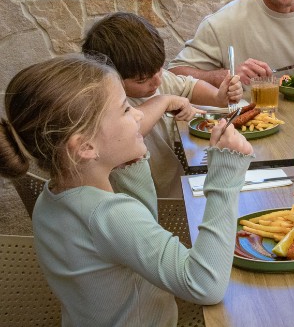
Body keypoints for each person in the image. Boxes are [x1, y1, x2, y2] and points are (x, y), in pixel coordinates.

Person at [0, 54, 253, 326]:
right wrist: (225, 179)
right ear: (85, 147)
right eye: (124, 109)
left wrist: (130, 162)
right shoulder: (109, 214)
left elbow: (139, 231)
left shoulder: (52, 198)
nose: (139, 114)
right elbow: (205, 285)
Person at [82, 12, 242, 197]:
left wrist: (218, 97)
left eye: (159, 69)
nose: (157, 81)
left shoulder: (155, 77)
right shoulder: (103, 101)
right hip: (150, 202)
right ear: (109, 78)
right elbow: (124, 130)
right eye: (142, 80)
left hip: (176, 186)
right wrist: (164, 101)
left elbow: (189, 86)